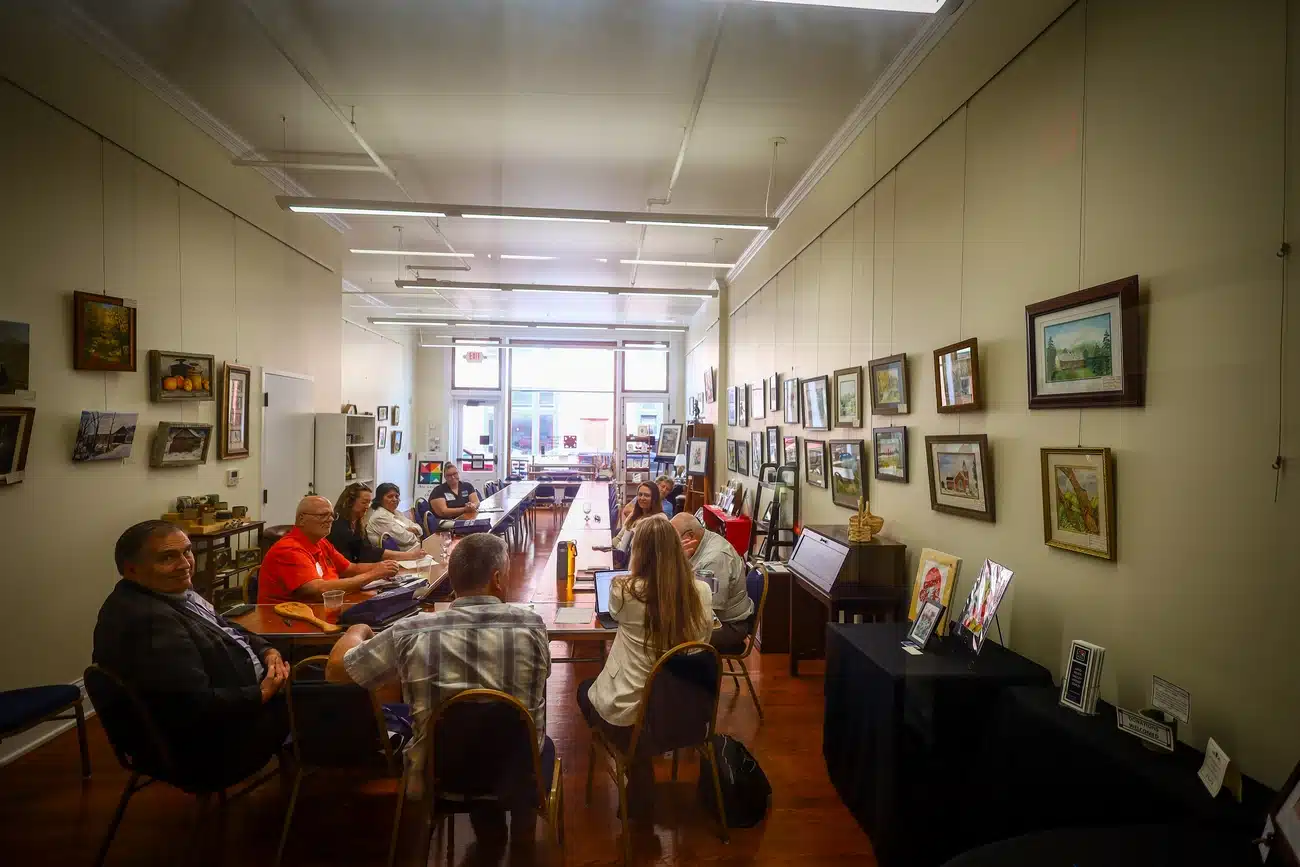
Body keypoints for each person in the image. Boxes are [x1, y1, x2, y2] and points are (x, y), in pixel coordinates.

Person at [326, 533, 550, 863]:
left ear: (452, 579)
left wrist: (355, 630)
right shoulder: (532, 625)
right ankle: (522, 837)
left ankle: (490, 836)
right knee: (514, 733)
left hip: (440, 771)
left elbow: (336, 671)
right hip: (519, 770)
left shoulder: (411, 630)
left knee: (468, 733)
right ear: (497, 579)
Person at [93, 520, 290, 787]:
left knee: (319, 677)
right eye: (167, 557)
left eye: (187, 551)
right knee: (330, 694)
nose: (185, 564)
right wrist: (263, 692)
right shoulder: (151, 622)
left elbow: (225, 627)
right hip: (216, 748)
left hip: (235, 705)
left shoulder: (167, 593)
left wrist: (266, 650)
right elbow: (197, 706)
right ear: (132, 569)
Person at [576, 514, 712, 817]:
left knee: (585, 691)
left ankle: (637, 766)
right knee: (645, 701)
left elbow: (615, 614)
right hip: (687, 711)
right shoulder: (701, 592)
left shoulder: (623, 590)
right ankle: (639, 763)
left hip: (633, 715)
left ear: (638, 552)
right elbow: (703, 636)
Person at [258, 496, 400, 604]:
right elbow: (319, 590)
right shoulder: (289, 550)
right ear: (301, 519)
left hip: (323, 608)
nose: (330, 520)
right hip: (289, 622)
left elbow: (350, 568)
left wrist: (382, 567)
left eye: (332, 515)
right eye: (322, 515)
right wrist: (374, 574)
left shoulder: (321, 542)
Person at [671, 513, 754, 653]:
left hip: (729, 626)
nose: (671, 544)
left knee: (667, 636)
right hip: (713, 618)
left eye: (674, 539)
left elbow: (707, 609)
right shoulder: (700, 542)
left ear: (689, 536)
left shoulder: (714, 559)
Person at [329, 482, 425, 564]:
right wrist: (377, 569)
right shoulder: (339, 526)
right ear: (350, 502)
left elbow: (367, 550)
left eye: (369, 503)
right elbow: (350, 562)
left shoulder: (357, 523)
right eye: (364, 502)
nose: (367, 506)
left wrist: (411, 555)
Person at [365, 482, 426, 551]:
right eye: (390, 496)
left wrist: (409, 530)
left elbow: (419, 528)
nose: (395, 499)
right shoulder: (379, 517)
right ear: (380, 499)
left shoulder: (396, 512)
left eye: (397, 496)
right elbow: (405, 539)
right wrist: (413, 532)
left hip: (414, 549)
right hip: (398, 555)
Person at [612, 481, 662, 553]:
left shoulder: (659, 519)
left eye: (647, 495)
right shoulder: (634, 514)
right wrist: (608, 545)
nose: (642, 498)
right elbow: (618, 538)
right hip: (622, 553)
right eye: (640, 494)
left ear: (654, 498)